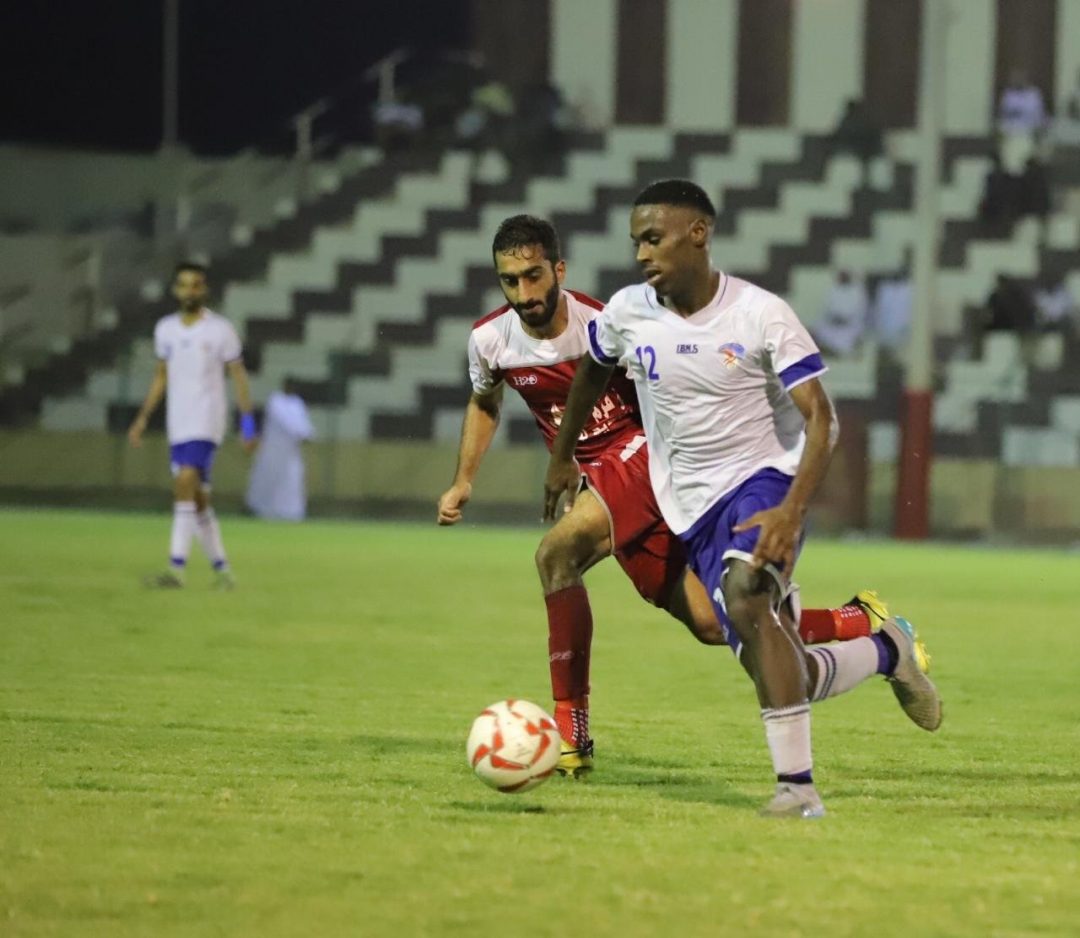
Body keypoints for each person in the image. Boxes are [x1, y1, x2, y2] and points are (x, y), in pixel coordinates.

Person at [438, 215, 913, 780]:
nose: (524, 293)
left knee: (555, 555)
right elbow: (485, 401)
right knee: (714, 623)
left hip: (646, 455)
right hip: (603, 481)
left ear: (558, 269)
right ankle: (859, 622)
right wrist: (464, 479)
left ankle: (571, 736)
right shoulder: (490, 340)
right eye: (510, 281)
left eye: (534, 276)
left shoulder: (602, 322)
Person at [544, 181, 942, 817]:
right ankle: (886, 650)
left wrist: (792, 509)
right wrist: (564, 456)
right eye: (637, 241)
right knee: (784, 669)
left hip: (764, 483)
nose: (642, 253)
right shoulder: (625, 312)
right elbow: (592, 370)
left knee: (747, 594)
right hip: (692, 509)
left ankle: (797, 791)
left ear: (698, 233)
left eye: (654, 238)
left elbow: (822, 420)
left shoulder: (760, 314)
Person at [128, 262, 257, 588]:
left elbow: (239, 376)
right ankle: (223, 572)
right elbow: (161, 377)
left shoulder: (220, 330)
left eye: (196, 285)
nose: (190, 291)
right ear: (175, 290)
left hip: (207, 421)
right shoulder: (165, 330)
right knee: (197, 501)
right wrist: (143, 417)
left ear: (205, 290)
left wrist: (247, 423)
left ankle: (176, 570)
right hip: (179, 422)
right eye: (184, 285)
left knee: (185, 481)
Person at [246, 379, 314, 521]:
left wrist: (308, 434)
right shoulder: (276, 401)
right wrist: (302, 434)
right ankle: (262, 510)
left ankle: (291, 513)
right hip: (274, 451)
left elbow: (303, 422)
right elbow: (287, 422)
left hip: (291, 452)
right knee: (269, 481)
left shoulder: (297, 403)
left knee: (292, 482)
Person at [811, 269, 869, 357]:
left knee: (846, 335)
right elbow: (827, 309)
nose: (841, 278)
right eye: (840, 277)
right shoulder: (834, 289)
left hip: (850, 323)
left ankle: (838, 352)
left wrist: (845, 319)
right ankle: (826, 349)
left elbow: (860, 311)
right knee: (820, 327)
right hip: (833, 321)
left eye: (844, 276)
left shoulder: (857, 291)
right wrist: (834, 318)